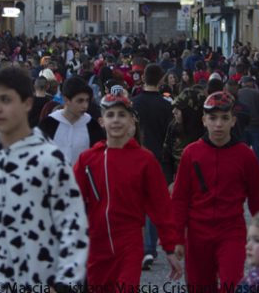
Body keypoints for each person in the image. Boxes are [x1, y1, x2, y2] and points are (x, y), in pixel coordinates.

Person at [0, 67, 88, 291]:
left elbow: (73, 226)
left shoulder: (49, 159)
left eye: (6, 100)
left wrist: (64, 284)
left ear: (27, 103)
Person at [74, 91, 183, 290]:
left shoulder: (145, 159)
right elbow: (70, 202)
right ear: (101, 121)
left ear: (131, 120)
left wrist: (170, 246)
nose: (116, 120)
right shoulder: (87, 159)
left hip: (129, 243)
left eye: (122, 115)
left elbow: (161, 206)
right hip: (96, 244)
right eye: (111, 115)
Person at [171, 91, 259, 290]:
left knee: (231, 284)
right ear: (204, 120)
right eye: (213, 118)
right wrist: (176, 238)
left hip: (231, 232)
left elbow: (258, 201)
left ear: (233, 121)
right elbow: (180, 199)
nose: (218, 124)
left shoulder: (245, 156)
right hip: (197, 234)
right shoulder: (191, 153)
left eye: (224, 118)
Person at [132, 63, 173, 270]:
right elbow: (171, 135)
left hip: (136, 156)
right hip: (159, 157)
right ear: (161, 79)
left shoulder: (134, 102)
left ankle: (140, 246)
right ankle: (149, 247)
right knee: (153, 205)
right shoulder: (167, 106)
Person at [38, 76, 105, 165]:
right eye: (80, 101)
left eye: (87, 100)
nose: (85, 106)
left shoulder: (92, 126)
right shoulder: (49, 124)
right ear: (66, 100)